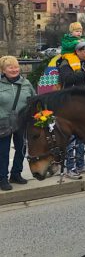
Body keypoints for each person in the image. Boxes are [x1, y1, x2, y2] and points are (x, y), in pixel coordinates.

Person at [58, 40, 85, 179]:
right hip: (70, 106)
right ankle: (70, 168)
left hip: (84, 106)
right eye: (84, 50)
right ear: (77, 51)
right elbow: (67, 78)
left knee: (82, 136)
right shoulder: (66, 63)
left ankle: (81, 164)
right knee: (71, 138)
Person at [0, 56, 36, 190]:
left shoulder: (25, 83)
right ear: (3, 70)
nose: (14, 69)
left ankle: (16, 173)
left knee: (21, 149)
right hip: (3, 122)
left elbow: (34, 99)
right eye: (10, 67)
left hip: (21, 121)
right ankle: (2, 178)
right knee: (3, 152)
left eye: (16, 67)